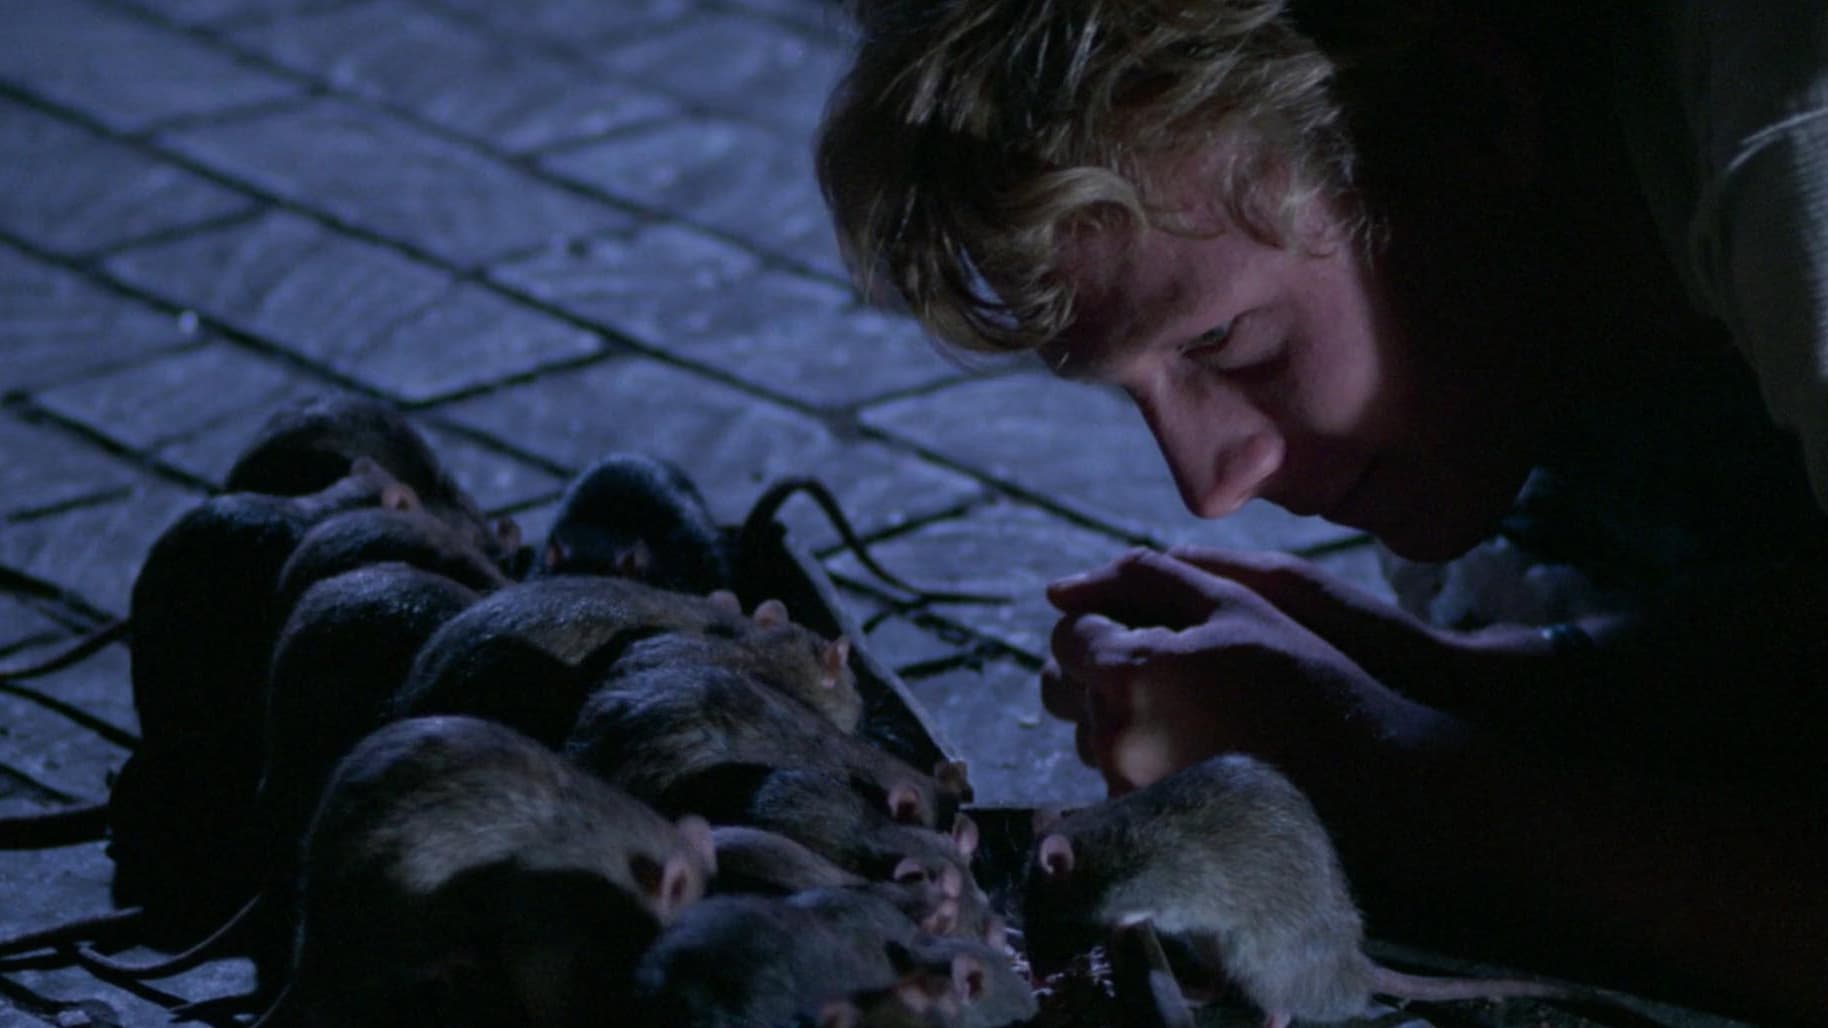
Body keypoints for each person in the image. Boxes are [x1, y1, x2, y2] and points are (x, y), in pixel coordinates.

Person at [816, 0, 1828, 1021]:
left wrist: (1392, 781)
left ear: (1467, 114)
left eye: (1225, 341)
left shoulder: (1795, 147)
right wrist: (1451, 680)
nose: (1212, 487)